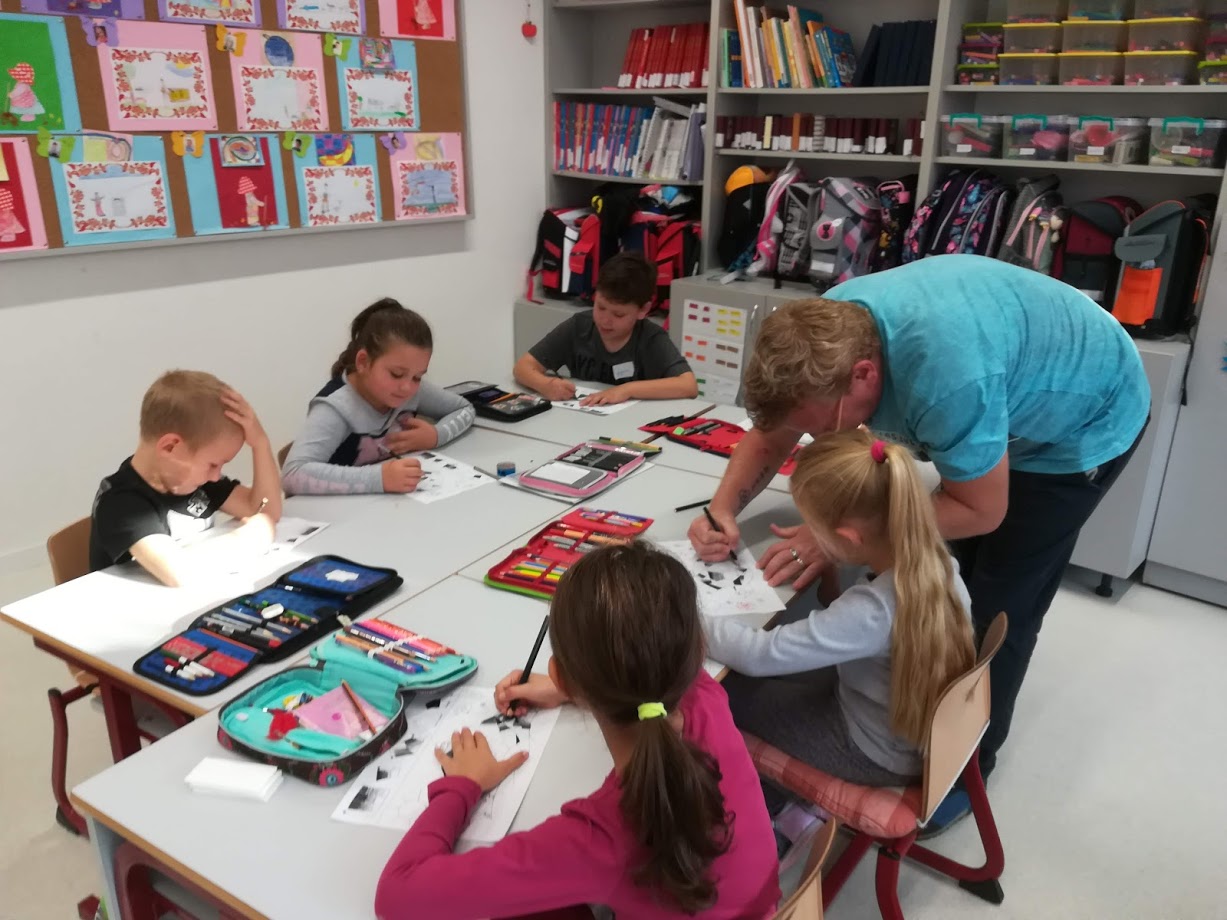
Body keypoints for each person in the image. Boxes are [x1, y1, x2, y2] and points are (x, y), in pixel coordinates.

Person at [688, 255, 1149, 832]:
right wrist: (722, 507)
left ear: (864, 375)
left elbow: (982, 509)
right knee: (953, 584)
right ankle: (921, 720)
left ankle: (960, 771)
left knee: (1004, 601)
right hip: (1009, 370)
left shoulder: (948, 378)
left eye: (822, 426)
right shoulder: (823, 335)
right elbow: (775, 429)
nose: (819, 438)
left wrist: (832, 544)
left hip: (1087, 417)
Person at [375, 542, 780, 920]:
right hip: (768, 902)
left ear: (560, 675)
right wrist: (569, 690)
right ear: (697, 649)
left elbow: (397, 896)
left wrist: (461, 787)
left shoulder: (597, 838)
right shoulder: (704, 695)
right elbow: (649, 665)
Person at [709, 430, 975, 795]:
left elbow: (758, 655)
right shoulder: (937, 563)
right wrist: (832, 573)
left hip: (869, 751)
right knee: (766, 675)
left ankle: (764, 801)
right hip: (904, 727)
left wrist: (686, 614)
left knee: (717, 692)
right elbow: (847, 624)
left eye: (812, 529)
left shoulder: (873, 610)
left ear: (848, 537)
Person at [89, 370, 282, 587]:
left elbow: (263, 509)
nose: (216, 476)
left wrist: (260, 444)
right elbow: (183, 573)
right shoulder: (121, 502)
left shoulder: (195, 481)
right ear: (170, 447)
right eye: (213, 464)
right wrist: (251, 537)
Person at [283, 299, 475, 495]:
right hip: (342, 510)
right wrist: (379, 479)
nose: (407, 387)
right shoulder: (336, 408)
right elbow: (292, 475)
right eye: (396, 374)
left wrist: (435, 435)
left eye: (418, 377)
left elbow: (465, 409)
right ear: (363, 362)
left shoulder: (412, 391)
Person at [513, 252, 698, 406]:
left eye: (618, 315)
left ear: (643, 310)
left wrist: (627, 390)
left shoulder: (651, 338)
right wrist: (545, 384)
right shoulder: (579, 326)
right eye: (600, 307)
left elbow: (688, 385)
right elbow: (523, 367)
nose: (605, 320)